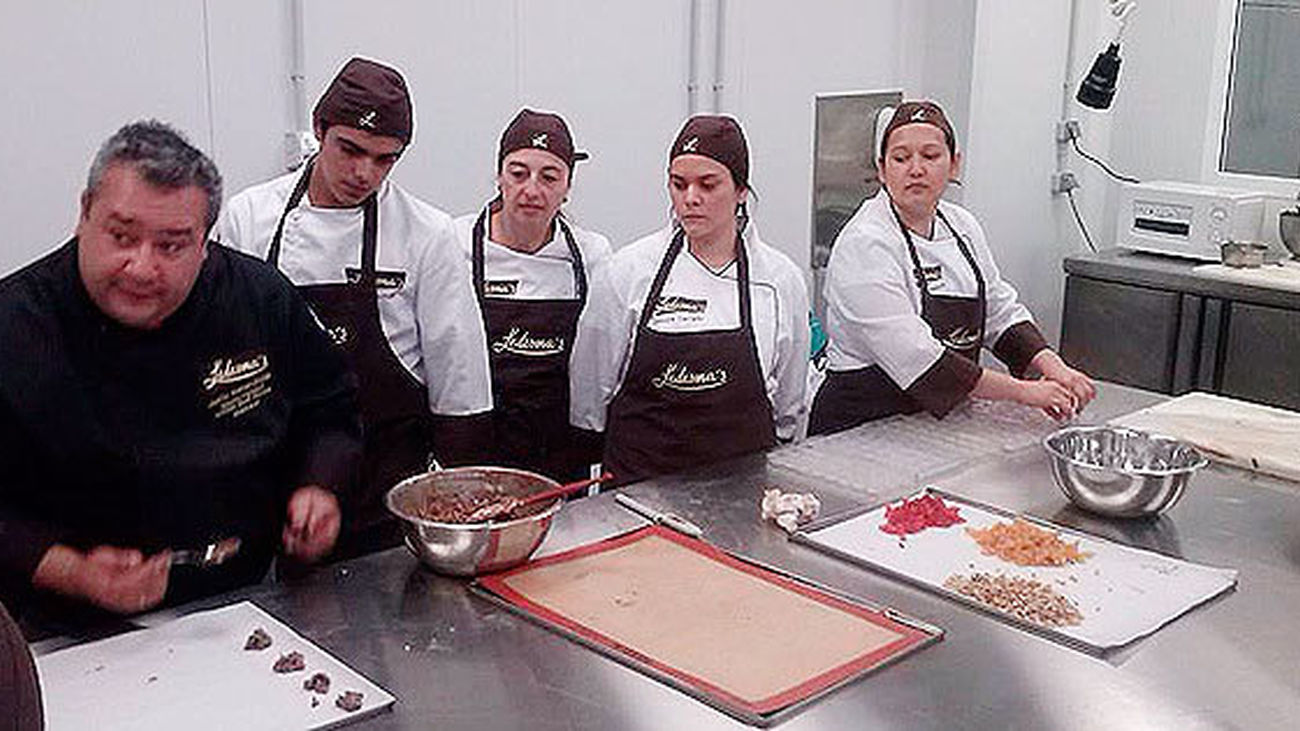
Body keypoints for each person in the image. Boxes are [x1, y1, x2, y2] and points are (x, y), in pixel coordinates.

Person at [0, 120, 360, 631]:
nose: (141, 267)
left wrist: (318, 487)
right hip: (63, 629)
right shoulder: (15, 325)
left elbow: (329, 409)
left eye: (171, 245)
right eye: (122, 237)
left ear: (205, 242)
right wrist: (71, 572)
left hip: (245, 607)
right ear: (84, 214)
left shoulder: (258, 299)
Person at [218, 57, 493, 556]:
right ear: (319, 129)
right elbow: (225, 351)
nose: (364, 172)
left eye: (385, 159)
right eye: (350, 149)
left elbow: (460, 375)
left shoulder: (426, 236)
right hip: (270, 475)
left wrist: (458, 498)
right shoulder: (249, 218)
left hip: (382, 485)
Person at [809, 100, 1095, 435]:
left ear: (954, 164)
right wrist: (1025, 392)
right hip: (858, 431)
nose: (916, 169)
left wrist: (1054, 366)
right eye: (901, 158)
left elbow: (999, 311)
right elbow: (916, 358)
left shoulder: (962, 226)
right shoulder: (865, 244)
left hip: (932, 424)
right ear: (883, 170)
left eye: (930, 156)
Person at [569, 115, 809, 486]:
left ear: (741, 190)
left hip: (741, 494)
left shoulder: (779, 280)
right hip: (639, 496)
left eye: (708, 184)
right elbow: (590, 392)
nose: (690, 198)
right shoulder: (627, 272)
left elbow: (789, 404)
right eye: (679, 185)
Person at [452, 109, 611, 481]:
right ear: (499, 176)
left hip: (556, 453)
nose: (532, 190)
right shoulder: (454, 244)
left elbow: (600, 363)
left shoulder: (592, 255)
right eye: (518, 173)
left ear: (568, 186)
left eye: (549, 176)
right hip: (474, 450)